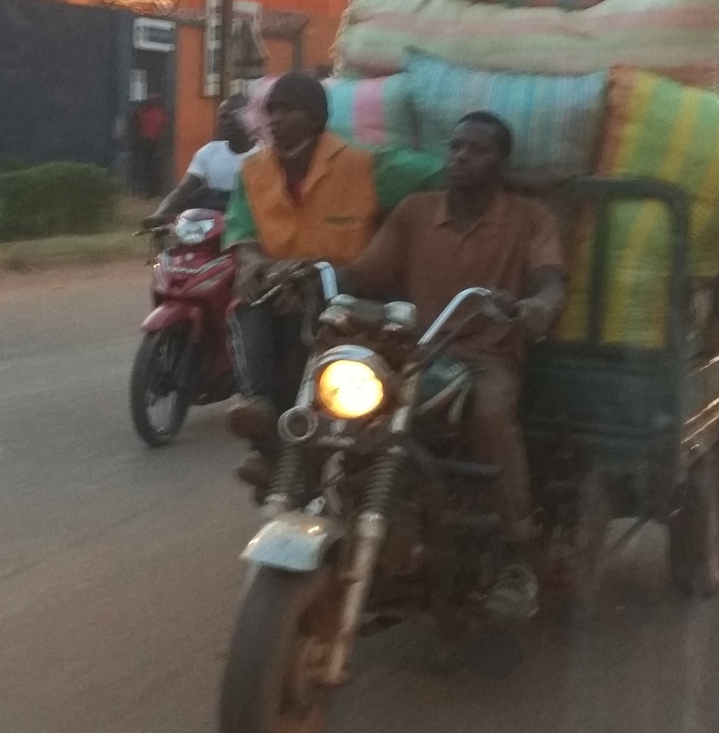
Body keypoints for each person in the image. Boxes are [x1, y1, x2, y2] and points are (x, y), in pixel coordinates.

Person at [349, 111, 566, 620]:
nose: (462, 157)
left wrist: (538, 305)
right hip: (414, 351)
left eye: (478, 150)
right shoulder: (415, 211)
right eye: (456, 147)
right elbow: (364, 274)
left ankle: (517, 556)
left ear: (502, 163)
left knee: (491, 413)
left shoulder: (529, 217)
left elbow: (551, 278)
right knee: (342, 394)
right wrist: (315, 277)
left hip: (487, 354)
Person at [223, 72, 440, 482]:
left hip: (344, 292)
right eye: (271, 110)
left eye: (288, 110)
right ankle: (260, 418)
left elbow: (438, 172)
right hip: (277, 286)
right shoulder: (252, 171)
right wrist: (250, 263)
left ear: (316, 117)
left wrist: (508, 178)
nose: (276, 119)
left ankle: (293, 449)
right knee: (245, 304)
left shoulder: (363, 164)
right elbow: (243, 229)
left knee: (304, 329)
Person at [149, 94, 251, 222]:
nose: (226, 123)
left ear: (249, 118)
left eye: (232, 117)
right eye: (222, 118)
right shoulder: (208, 152)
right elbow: (184, 189)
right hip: (212, 225)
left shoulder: (264, 153)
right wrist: (160, 213)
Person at [131, 97, 169, 197]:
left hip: (147, 142)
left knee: (147, 167)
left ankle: (150, 191)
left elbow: (137, 124)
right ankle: (155, 190)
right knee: (154, 167)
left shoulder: (143, 113)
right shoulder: (160, 113)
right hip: (157, 142)